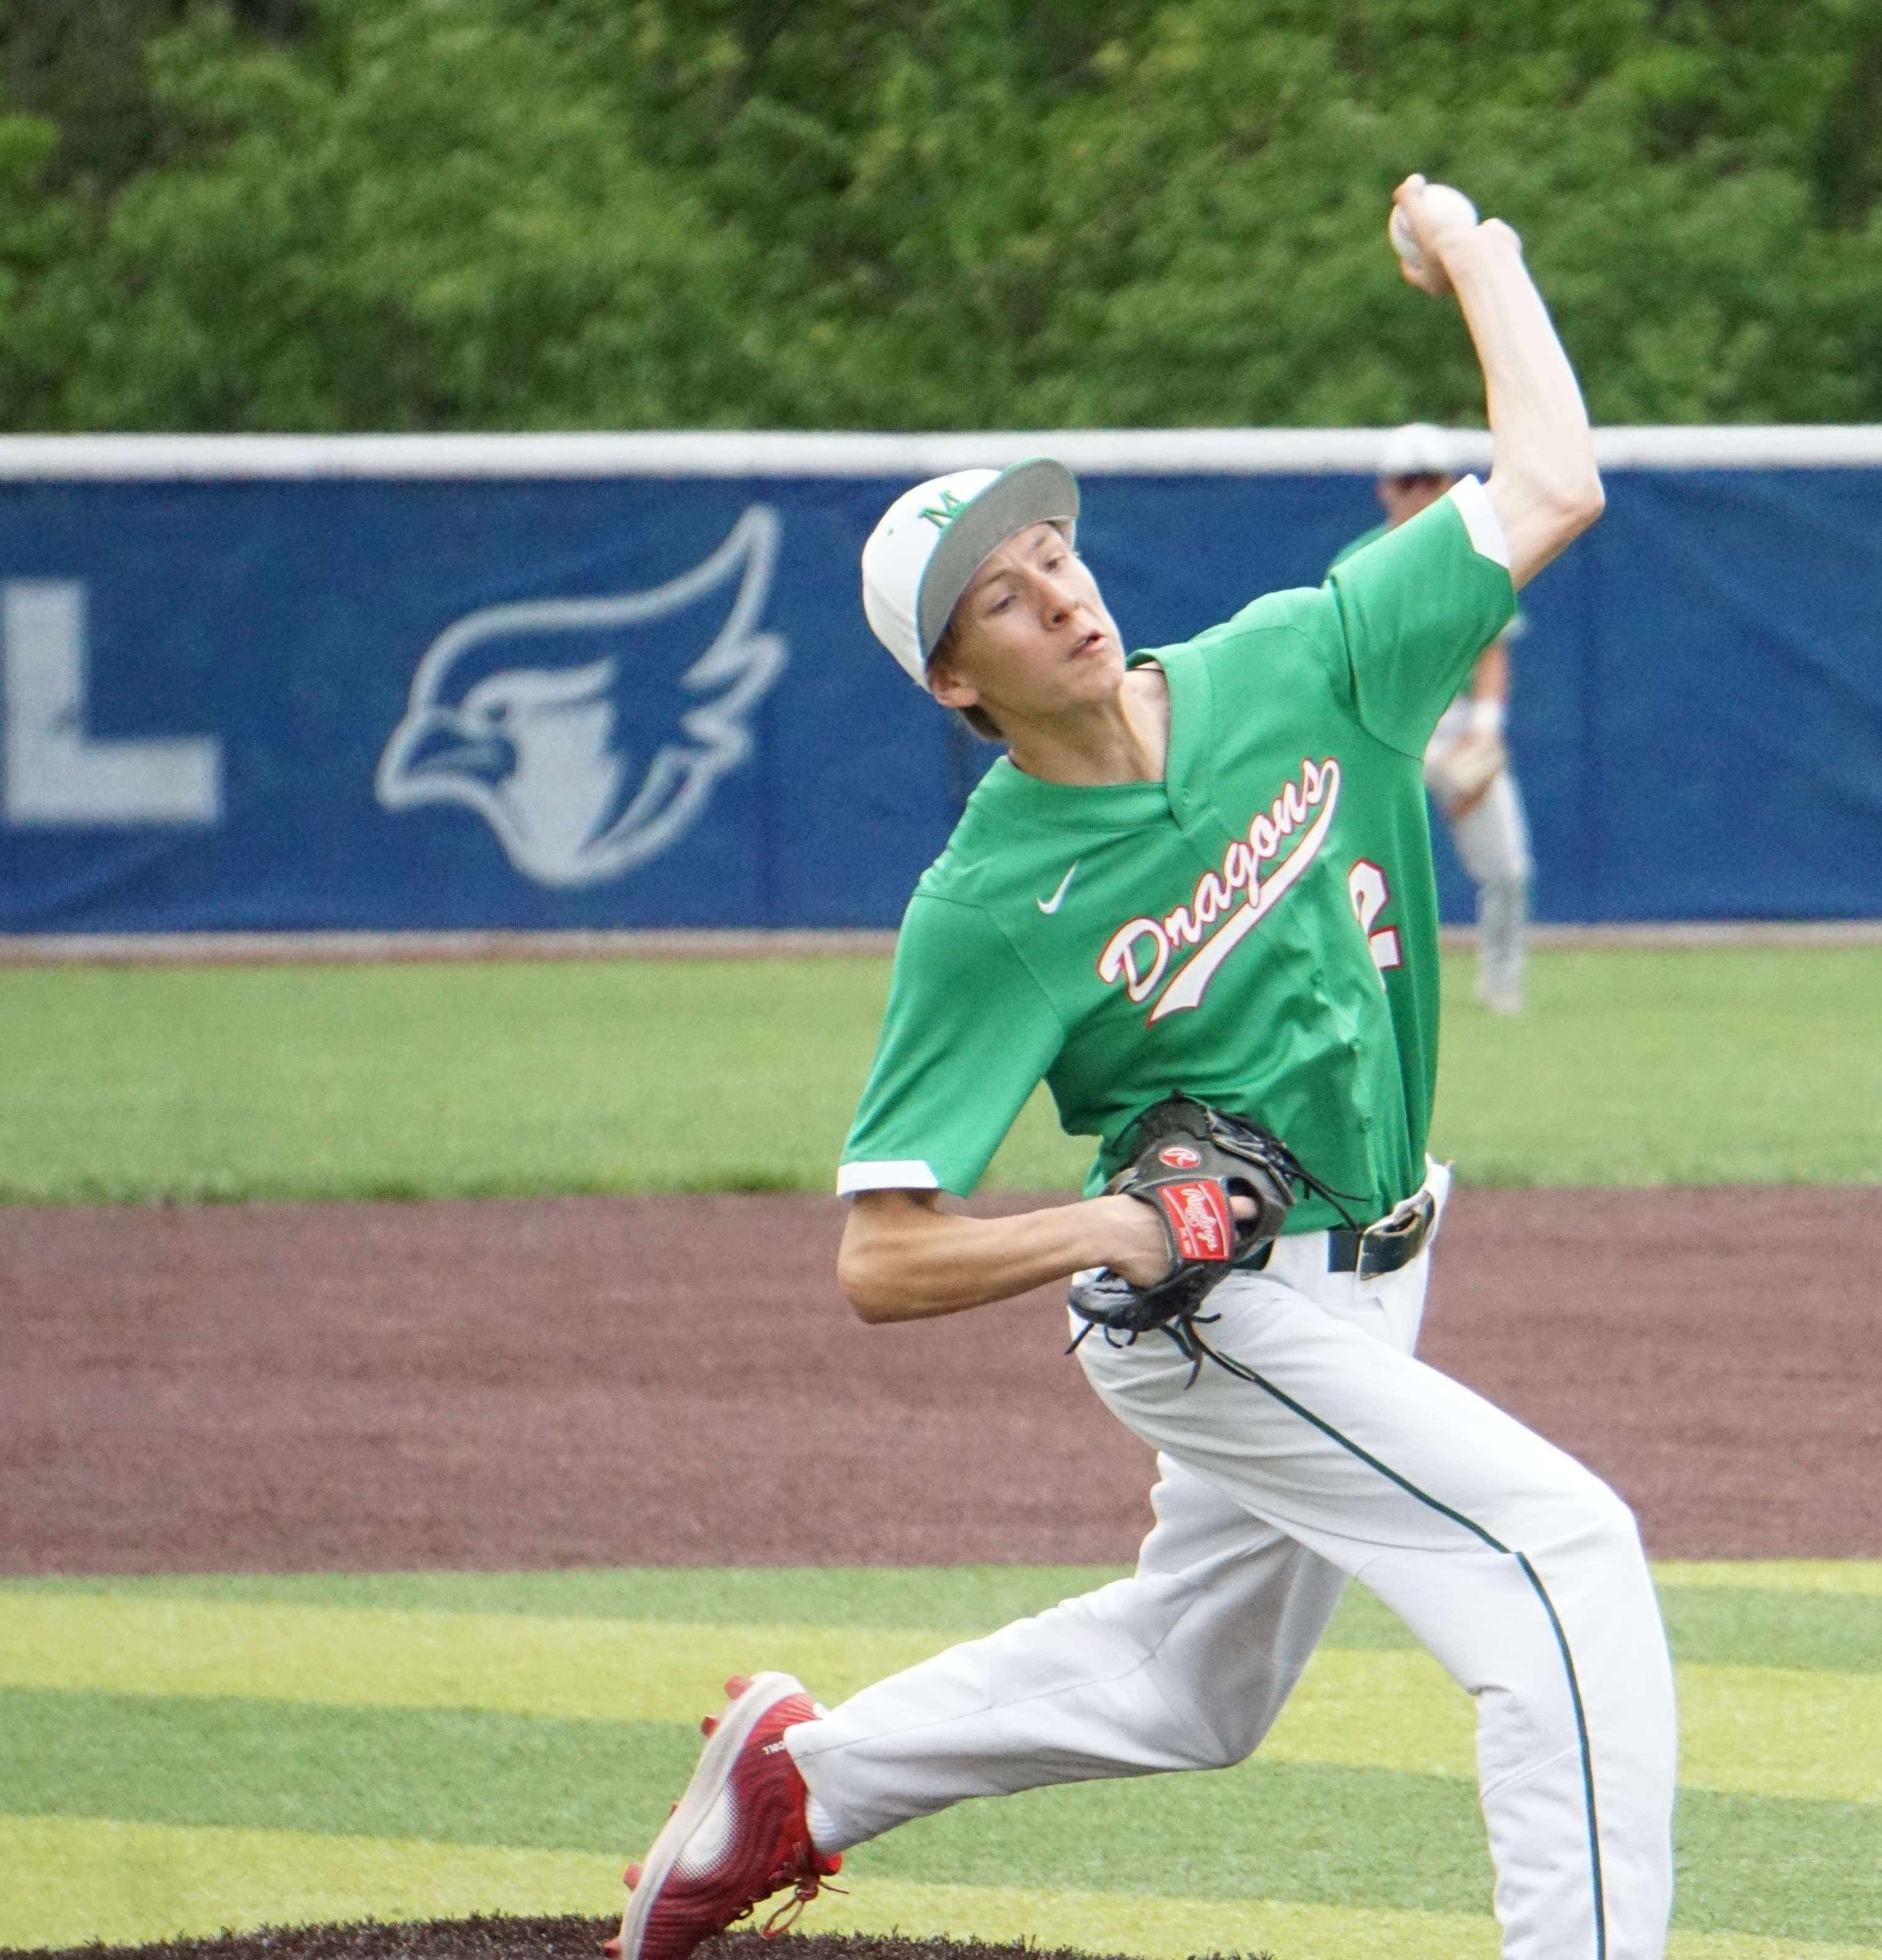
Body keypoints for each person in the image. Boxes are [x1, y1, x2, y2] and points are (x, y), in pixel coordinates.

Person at [609, 175, 1677, 1960]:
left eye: (1054, 559)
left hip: (1386, 1258)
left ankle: (800, 1784)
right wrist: (1105, 1223)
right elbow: (883, 1253)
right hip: (1216, 1307)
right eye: (1004, 605)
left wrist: (1476, 255)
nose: (1057, 599)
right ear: (958, 686)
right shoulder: (994, 904)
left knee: (1198, 1686)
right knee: (1563, 1560)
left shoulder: (1304, 661)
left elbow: (1556, 480)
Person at [1335, 421, 1534, 1011]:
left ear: (1451, 487)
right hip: (1379, 728)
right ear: (1384, 490)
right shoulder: (1358, 565)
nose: (1421, 493)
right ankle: (1360, 985)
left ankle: (1502, 984)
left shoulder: (1472, 557)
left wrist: (1485, 732)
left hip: (1455, 726)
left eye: (1432, 480)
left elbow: (1492, 650)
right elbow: (1346, 665)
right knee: (1351, 874)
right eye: (1408, 481)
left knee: (1509, 869)